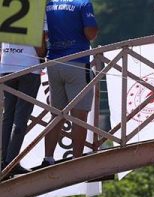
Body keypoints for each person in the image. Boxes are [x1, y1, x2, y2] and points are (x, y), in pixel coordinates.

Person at [40, 0, 98, 168]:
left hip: (53, 63)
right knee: (79, 117)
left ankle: (48, 158)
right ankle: (77, 161)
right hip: (78, 63)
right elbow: (90, 33)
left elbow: (44, 34)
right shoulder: (83, 3)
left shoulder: (48, 4)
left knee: (56, 115)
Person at [1, 27, 47, 177]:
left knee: (7, 115)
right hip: (28, 65)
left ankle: (3, 160)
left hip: (6, 65)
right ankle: (11, 162)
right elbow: (39, 38)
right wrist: (42, 55)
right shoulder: (36, 6)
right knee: (21, 116)